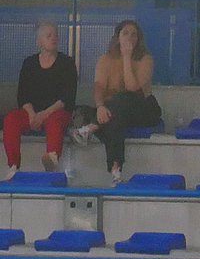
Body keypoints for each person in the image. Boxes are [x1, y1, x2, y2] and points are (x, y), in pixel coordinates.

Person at [69, 19, 161, 185]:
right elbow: (99, 87)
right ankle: (116, 170)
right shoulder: (106, 59)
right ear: (117, 37)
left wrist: (127, 57)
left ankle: (91, 128)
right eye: (125, 33)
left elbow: (132, 88)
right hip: (115, 110)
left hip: (143, 107)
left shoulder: (146, 59)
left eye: (134, 34)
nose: (130, 37)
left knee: (121, 99)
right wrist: (100, 107)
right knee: (111, 116)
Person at [3, 22, 77, 179]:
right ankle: (13, 165)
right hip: (32, 112)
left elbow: (66, 98)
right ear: (39, 42)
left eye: (56, 35)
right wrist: (31, 115)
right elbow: (22, 95)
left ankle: (52, 158)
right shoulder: (29, 63)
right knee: (11, 119)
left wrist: (43, 114)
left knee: (55, 121)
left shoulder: (67, 63)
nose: (54, 38)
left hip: (56, 111)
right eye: (49, 36)